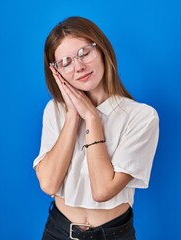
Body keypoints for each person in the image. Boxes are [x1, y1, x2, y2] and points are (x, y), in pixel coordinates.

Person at [33, 16, 159, 240]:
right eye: (66, 62)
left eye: (84, 53)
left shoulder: (141, 116)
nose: (79, 67)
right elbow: (49, 183)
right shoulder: (55, 110)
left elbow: (102, 190)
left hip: (112, 234)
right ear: (56, 71)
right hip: (57, 231)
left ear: (101, 49)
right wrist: (74, 115)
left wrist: (91, 118)